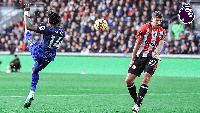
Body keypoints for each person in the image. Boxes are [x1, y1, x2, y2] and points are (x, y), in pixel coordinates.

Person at [23, 4, 65, 108]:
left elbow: (29, 26)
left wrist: (26, 14)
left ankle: (26, 13)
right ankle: (31, 93)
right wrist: (43, 29)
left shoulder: (48, 29)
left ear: (50, 21)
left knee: (28, 36)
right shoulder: (62, 32)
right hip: (49, 58)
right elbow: (49, 36)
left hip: (40, 54)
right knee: (34, 70)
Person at [125, 11, 166, 113]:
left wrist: (157, 53)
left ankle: (137, 106)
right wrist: (132, 60)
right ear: (152, 19)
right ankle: (137, 101)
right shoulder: (144, 28)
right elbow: (137, 44)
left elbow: (161, 43)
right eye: (157, 20)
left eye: (160, 21)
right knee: (128, 80)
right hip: (140, 57)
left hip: (152, 58)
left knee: (146, 78)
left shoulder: (162, 31)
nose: (159, 23)